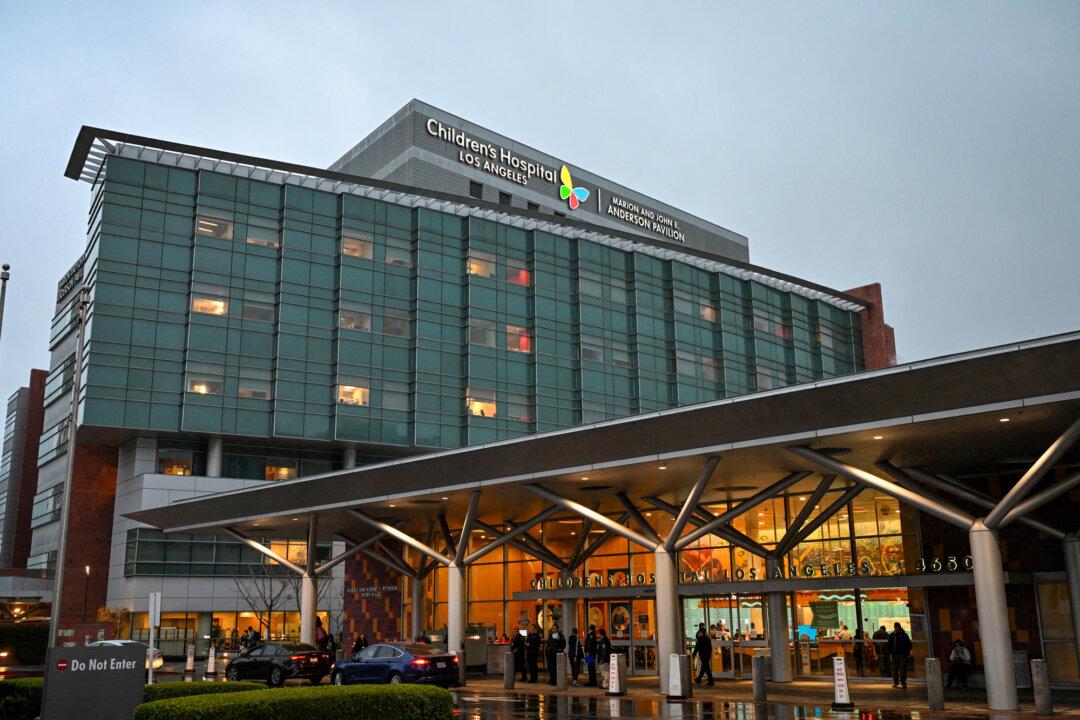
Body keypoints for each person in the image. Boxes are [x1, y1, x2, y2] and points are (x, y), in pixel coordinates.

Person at [886, 622, 912, 689]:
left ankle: (903, 682)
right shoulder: (892, 635)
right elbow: (889, 645)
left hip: (902, 654)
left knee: (902, 669)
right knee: (895, 669)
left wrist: (906, 651)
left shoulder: (903, 635)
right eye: (896, 627)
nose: (897, 628)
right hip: (895, 655)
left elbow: (908, 644)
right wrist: (890, 652)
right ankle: (896, 682)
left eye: (897, 627)